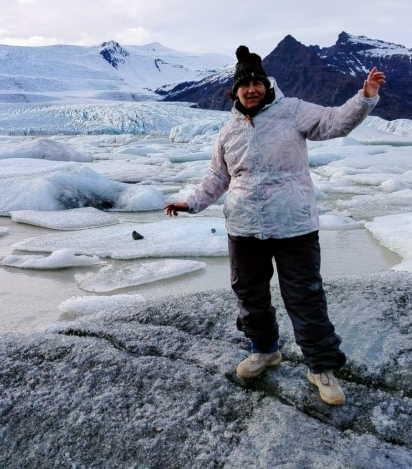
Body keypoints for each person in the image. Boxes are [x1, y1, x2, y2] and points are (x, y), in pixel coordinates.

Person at [165, 45, 386, 406]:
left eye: (256, 82)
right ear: (234, 92)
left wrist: (365, 97)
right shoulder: (228, 132)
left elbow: (334, 121)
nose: (251, 89)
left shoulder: (292, 111)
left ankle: (320, 367)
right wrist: (191, 202)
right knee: (249, 295)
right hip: (244, 228)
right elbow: (217, 178)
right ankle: (264, 350)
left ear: (267, 85)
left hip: (293, 226)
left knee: (305, 297)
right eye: (244, 85)